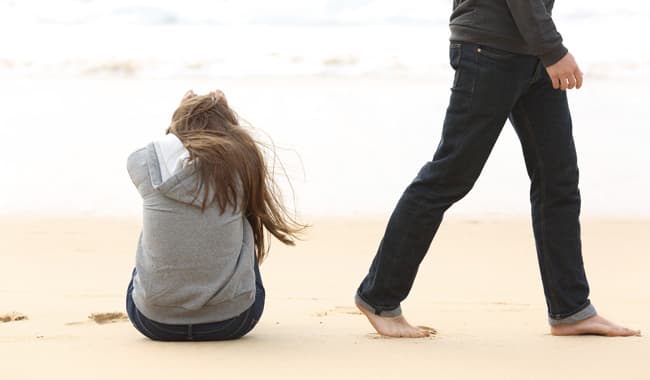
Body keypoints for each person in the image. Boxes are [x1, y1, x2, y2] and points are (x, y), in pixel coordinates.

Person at [355, 0, 641, 338]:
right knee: (449, 175)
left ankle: (571, 309)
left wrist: (545, 48)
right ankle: (379, 297)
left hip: (530, 50)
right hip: (490, 50)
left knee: (558, 180)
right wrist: (553, 50)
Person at [125, 89, 303, 341]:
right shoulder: (243, 164)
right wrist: (222, 113)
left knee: (158, 227)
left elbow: (151, 153)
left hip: (154, 323)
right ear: (229, 129)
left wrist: (182, 114)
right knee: (243, 222)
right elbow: (238, 146)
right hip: (232, 321)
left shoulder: (145, 166)